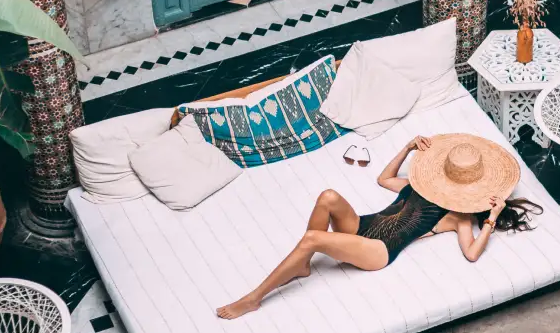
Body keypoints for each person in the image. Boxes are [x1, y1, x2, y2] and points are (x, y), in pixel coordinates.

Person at [216, 134, 542, 319]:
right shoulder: (420, 185)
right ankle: (302, 266)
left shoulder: (459, 216)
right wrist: (408, 147)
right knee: (328, 196)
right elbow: (383, 179)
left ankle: (255, 297)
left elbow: (471, 253)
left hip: (379, 250)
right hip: (362, 226)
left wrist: (492, 217)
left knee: (314, 238)